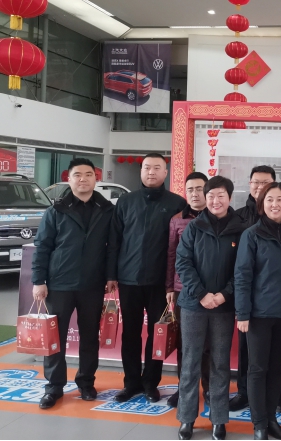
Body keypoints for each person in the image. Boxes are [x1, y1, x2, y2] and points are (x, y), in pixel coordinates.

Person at [31, 158, 114, 409]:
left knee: (90, 337)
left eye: (88, 174)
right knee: (55, 337)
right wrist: (38, 280)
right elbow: (42, 247)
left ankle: (86, 383)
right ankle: (54, 387)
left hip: (92, 284)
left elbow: (112, 248)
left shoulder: (107, 209)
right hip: (59, 284)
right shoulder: (56, 210)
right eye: (77, 175)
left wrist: (111, 276)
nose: (83, 179)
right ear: (69, 179)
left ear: (96, 179)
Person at [107, 153, 186, 403]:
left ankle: (151, 383)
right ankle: (131, 383)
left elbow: (180, 246)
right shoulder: (125, 202)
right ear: (141, 171)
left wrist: (173, 283)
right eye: (147, 167)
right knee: (130, 334)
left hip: (160, 282)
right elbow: (114, 241)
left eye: (157, 168)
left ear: (166, 172)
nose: (151, 172)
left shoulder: (177, 203)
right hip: (128, 279)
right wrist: (112, 275)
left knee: (157, 334)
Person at [174, 176, 248, 441]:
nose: (216, 201)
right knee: (190, 362)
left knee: (220, 363)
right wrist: (202, 294)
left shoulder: (241, 229)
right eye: (211, 196)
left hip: (223, 307)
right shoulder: (194, 227)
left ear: (230, 198)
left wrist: (223, 295)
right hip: (194, 305)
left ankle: (218, 419)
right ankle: (186, 418)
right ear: (205, 199)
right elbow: (183, 263)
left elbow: (243, 269)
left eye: (221, 195)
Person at [235, 182, 281, 440]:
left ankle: (272, 419)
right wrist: (242, 313)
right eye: (270, 200)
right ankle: (259, 424)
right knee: (257, 369)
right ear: (262, 204)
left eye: (280, 199)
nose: (275, 204)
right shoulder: (251, 234)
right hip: (258, 315)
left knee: (276, 369)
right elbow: (242, 275)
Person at [165, 172, 210, 409]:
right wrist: (170, 286)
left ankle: (210, 389)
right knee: (185, 345)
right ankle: (184, 389)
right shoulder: (177, 220)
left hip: (212, 292)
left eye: (199, 188)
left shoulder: (219, 216)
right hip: (184, 291)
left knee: (210, 345)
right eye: (190, 189)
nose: (194, 193)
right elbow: (171, 255)